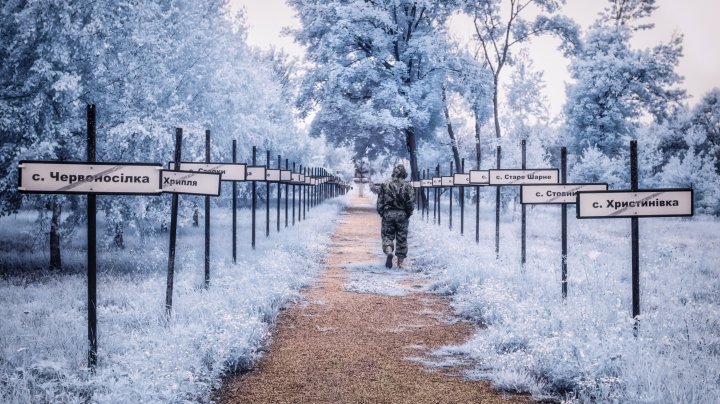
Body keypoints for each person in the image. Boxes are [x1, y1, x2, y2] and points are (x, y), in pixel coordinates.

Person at [376, 164, 415, 268]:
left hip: (388, 214)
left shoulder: (385, 184)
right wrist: (408, 213)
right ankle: (400, 263)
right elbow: (411, 202)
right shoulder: (408, 186)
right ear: (404, 173)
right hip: (402, 214)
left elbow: (380, 201)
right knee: (402, 238)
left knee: (387, 236)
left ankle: (389, 251)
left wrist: (381, 212)